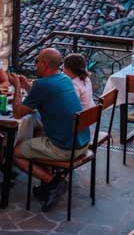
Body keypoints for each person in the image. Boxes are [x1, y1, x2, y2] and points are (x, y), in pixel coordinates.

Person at [9, 48, 87, 212]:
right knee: (39, 131)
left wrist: (17, 86)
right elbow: (44, 96)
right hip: (82, 142)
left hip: (66, 148)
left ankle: (52, 181)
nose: (35, 64)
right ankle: (48, 185)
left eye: (36, 61)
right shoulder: (64, 79)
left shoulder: (43, 84)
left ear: (44, 65)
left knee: (15, 152)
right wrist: (27, 86)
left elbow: (17, 113)